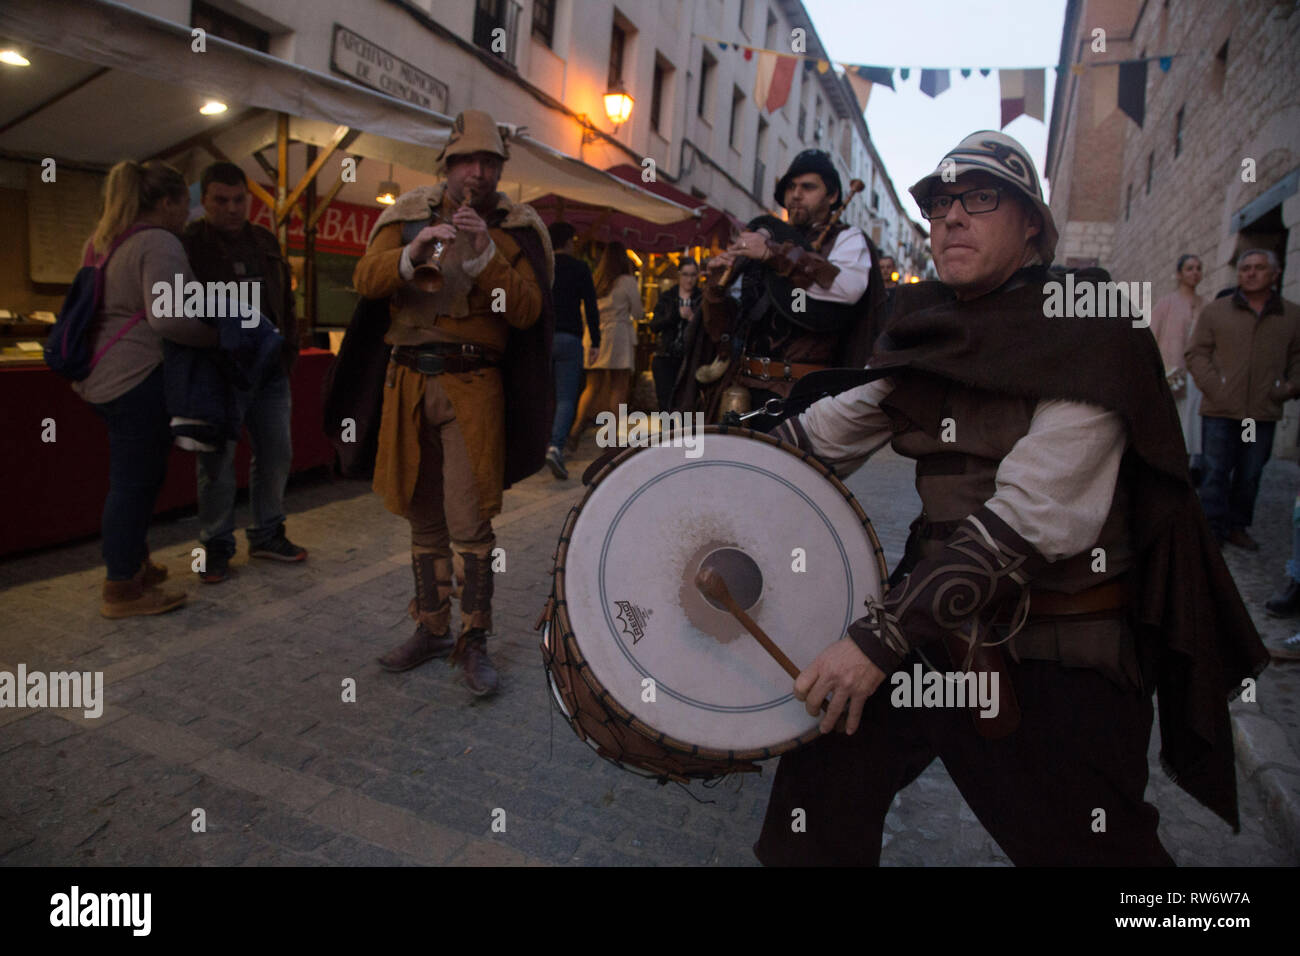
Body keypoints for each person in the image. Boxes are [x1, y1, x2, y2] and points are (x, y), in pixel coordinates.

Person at [751, 130, 1267, 866]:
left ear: (1032, 224)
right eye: (939, 202)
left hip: (1051, 648)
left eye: (979, 197)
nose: (951, 216)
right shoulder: (931, 329)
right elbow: (817, 436)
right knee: (815, 809)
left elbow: (1032, 516)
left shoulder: (1088, 325)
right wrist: (693, 457)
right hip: (926, 632)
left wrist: (876, 640)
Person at [352, 109, 554, 696]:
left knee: (470, 523)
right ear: (447, 164)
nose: (479, 172)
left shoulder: (516, 229)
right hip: (407, 383)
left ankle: (474, 641)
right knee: (424, 516)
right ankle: (432, 627)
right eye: (469, 160)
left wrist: (487, 252)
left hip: (474, 386)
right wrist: (413, 252)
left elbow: (527, 314)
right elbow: (366, 281)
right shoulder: (407, 216)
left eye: (490, 162)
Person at [72, 160, 218, 617]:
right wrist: (216, 336)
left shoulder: (102, 241)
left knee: (136, 477)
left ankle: (135, 563)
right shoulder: (157, 241)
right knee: (134, 483)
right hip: (136, 376)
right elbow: (169, 316)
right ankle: (121, 588)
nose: (187, 215)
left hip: (98, 374)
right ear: (167, 202)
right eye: (184, 204)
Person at [673, 149, 885, 425]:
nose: (796, 194)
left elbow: (847, 288)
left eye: (808, 187)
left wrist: (774, 254)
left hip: (802, 397)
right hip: (742, 390)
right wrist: (715, 289)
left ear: (832, 196)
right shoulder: (766, 239)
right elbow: (726, 329)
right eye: (791, 187)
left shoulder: (846, 238)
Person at [183, 161, 305, 583]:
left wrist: (288, 349)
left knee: (276, 454)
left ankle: (267, 534)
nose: (232, 208)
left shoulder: (265, 241)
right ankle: (215, 546)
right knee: (216, 463)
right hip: (218, 373)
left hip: (270, 371)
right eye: (221, 200)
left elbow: (285, 301)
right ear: (205, 200)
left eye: (239, 200)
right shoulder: (190, 244)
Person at [1185, 249, 1300, 550]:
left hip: (1258, 414)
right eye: (1245, 268)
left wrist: (1287, 388)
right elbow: (1197, 353)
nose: (1250, 273)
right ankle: (1211, 529)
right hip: (1222, 410)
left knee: (1250, 472)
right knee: (1215, 470)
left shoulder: (1290, 316)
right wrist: (1214, 387)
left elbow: (1298, 357)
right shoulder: (1217, 311)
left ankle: (1237, 526)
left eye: (1258, 268)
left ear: (1275, 274)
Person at [568, 241, 642, 448]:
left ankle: (575, 431)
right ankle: (611, 437)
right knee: (619, 388)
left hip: (594, 337)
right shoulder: (627, 281)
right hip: (618, 337)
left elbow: (584, 311)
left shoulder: (596, 280)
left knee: (592, 387)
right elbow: (638, 312)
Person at [544, 222, 600, 480]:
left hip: (543, 338)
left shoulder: (543, 267)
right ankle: (556, 445)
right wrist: (596, 342)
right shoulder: (580, 268)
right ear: (568, 241)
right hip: (570, 338)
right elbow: (590, 306)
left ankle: (538, 444)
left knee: (543, 394)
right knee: (567, 397)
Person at [1149, 254, 1205, 478]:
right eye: (1190, 268)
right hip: (1171, 371)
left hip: (1197, 374)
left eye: (1198, 268)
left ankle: (1189, 465)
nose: (1195, 272)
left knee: (1193, 420)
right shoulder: (1166, 303)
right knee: (1170, 418)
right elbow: (1151, 335)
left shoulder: (1205, 305)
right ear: (1180, 273)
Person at [648, 258, 701, 412]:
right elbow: (655, 325)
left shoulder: (701, 298)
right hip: (665, 356)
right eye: (685, 274)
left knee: (686, 405)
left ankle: (682, 436)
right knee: (665, 404)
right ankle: (668, 436)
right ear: (679, 275)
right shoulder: (667, 297)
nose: (689, 279)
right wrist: (676, 316)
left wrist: (692, 319)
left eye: (693, 275)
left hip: (689, 359)